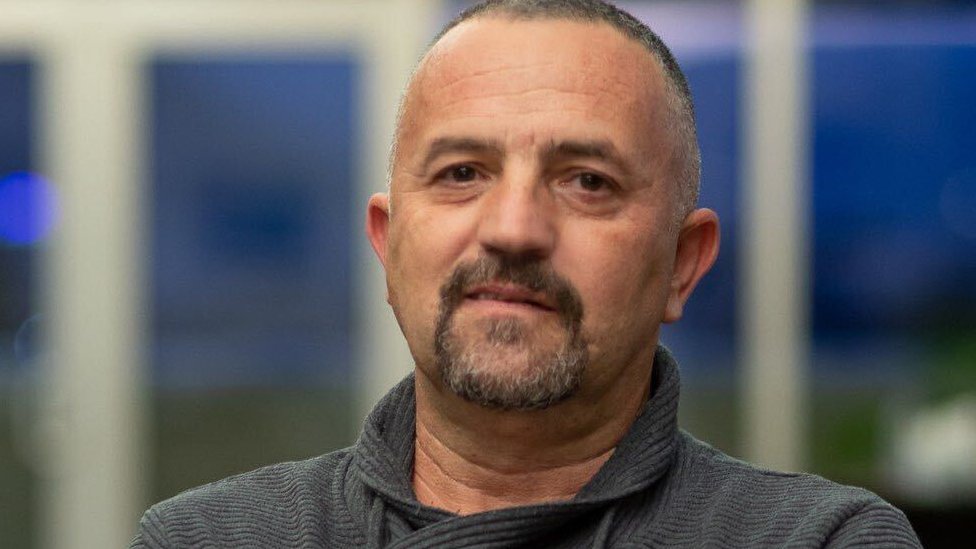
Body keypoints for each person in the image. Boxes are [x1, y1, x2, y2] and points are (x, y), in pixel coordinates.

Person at [131, 1, 921, 547]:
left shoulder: (819, 538)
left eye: (587, 182)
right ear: (388, 245)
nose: (513, 229)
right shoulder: (207, 538)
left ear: (682, 265)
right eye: (462, 172)